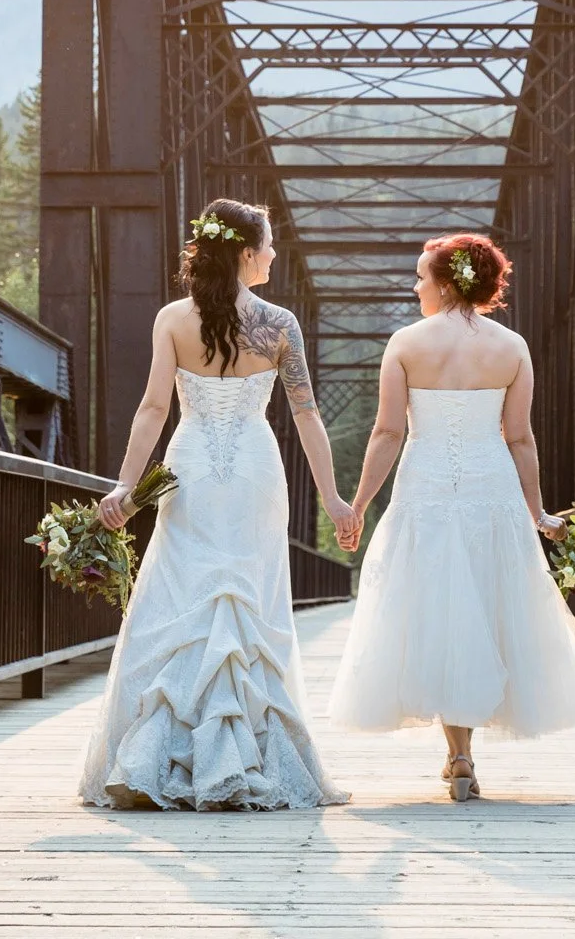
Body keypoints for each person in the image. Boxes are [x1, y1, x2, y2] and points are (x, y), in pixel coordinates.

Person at [78, 197, 359, 810]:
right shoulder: (280, 323)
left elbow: (154, 407)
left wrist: (126, 485)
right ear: (244, 252)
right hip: (256, 469)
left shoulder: (174, 319)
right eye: (267, 244)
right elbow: (306, 416)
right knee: (249, 600)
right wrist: (333, 498)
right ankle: (253, 751)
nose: (274, 254)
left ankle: (160, 756)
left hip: (192, 466)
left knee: (182, 594)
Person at [328, 232, 575, 800]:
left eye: (421, 278)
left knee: (440, 608)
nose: (415, 287)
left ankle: (458, 755)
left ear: (447, 283)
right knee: (483, 604)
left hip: (425, 490)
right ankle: (462, 753)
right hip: (491, 491)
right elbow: (521, 437)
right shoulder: (512, 347)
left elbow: (387, 432)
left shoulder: (406, 343)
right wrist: (538, 511)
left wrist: (356, 506)